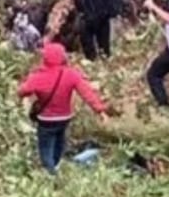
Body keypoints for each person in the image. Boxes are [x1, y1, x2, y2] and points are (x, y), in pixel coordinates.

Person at [17, 42, 108, 174]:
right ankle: (57, 165)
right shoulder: (71, 74)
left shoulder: (38, 77)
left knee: (45, 147)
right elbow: (87, 93)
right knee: (59, 142)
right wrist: (100, 110)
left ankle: (50, 173)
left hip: (46, 120)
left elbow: (22, 91)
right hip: (64, 118)